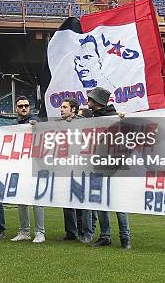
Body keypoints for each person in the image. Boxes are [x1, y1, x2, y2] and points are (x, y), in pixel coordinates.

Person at [87, 87, 131, 250]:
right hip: (97, 165)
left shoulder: (115, 118)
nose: (87, 101)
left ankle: (125, 237)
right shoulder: (88, 118)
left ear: (97, 101)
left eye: (90, 99)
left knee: (118, 202)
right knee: (100, 202)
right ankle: (105, 236)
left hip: (115, 166)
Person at [58, 99, 97, 243]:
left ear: (73, 109)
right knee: (67, 202)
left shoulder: (84, 123)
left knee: (83, 202)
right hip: (66, 168)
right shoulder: (58, 124)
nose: (61, 109)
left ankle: (86, 233)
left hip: (82, 167)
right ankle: (71, 232)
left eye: (64, 107)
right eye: (61, 107)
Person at [10, 96, 45, 243]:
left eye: (26, 105)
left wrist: (38, 126)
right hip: (20, 166)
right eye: (20, 106)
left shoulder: (37, 121)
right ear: (16, 109)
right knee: (21, 199)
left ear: (29, 107)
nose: (23, 108)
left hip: (35, 165)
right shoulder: (14, 126)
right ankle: (24, 231)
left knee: (37, 199)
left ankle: (40, 232)